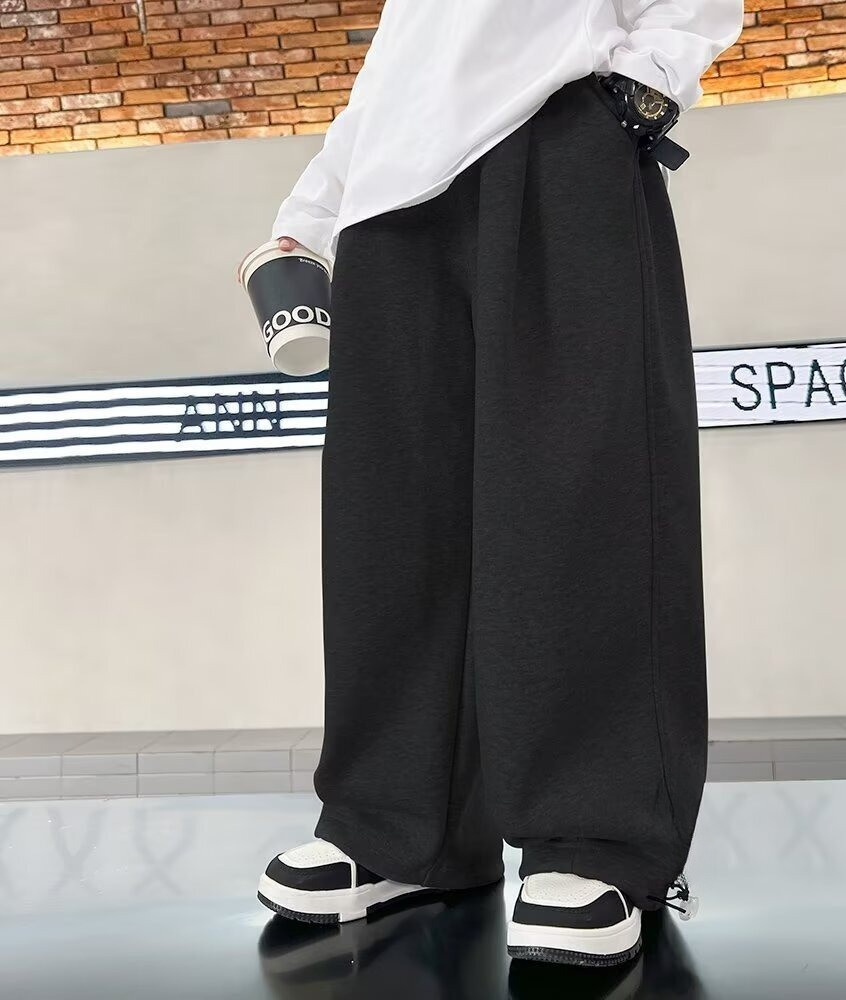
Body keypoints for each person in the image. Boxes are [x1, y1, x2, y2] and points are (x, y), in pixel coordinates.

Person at [241, 0, 743, 969]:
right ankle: (398, 826)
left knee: (575, 497)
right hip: (388, 199)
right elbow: (402, 62)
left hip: (556, 135)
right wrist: (306, 215)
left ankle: (594, 835)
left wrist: (640, 89)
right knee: (392, 524)